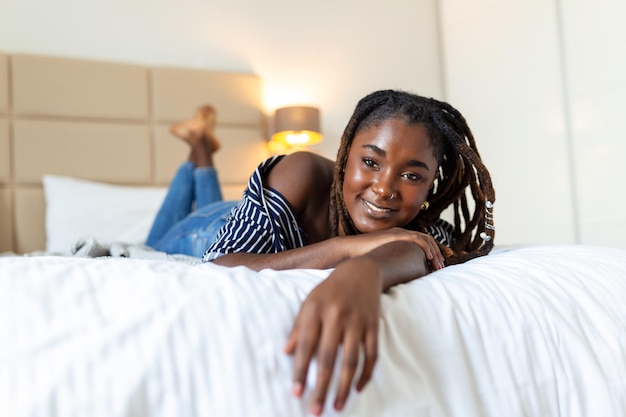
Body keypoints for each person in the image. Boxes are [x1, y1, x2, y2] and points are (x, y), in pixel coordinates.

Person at [146, 90, 496, 415]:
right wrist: (345, 249)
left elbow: (418, 252)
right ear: (345, 153)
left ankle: (200, 143)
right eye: (371, 162)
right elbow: (219, 262)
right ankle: (201, 148)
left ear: (432, 182)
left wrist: (364, 270)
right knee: (156, 237)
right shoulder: (301, 172)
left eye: (411, 175)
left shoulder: (420, 220)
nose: (385, 188)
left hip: (234, 216)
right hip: (205, 229)